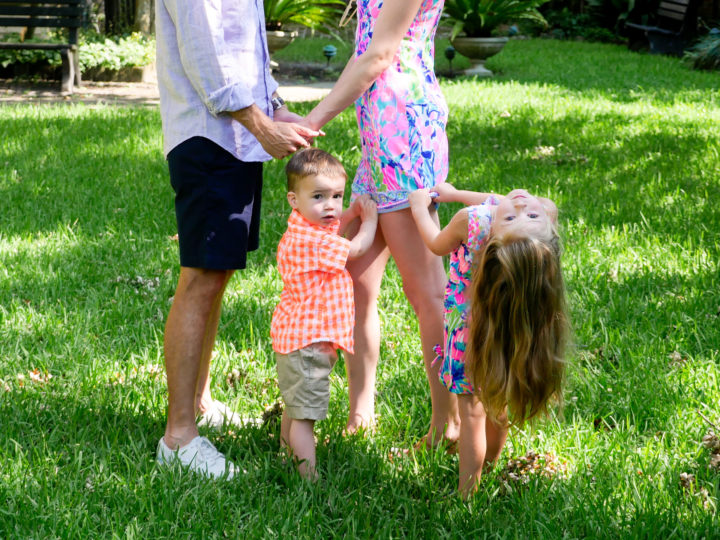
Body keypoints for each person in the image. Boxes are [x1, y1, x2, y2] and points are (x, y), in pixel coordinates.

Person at [154, 0, 320, 479]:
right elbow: (206, 56)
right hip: (208, 138)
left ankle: (200, 401)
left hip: (235, 141)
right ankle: (179, 436)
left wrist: (277, 110)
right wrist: (262, 124)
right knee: (201, 276)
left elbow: (245, 49)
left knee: (217, 272)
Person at [300, 0, 456, 447]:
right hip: (379, 136)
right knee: (355, 282)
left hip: (404, 134)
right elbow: (364, 50)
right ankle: (360, 414)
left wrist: (312, 123)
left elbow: (378, 56)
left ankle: (449, 423)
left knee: (426, 291)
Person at [408, 183, 569, 497]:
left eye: (521, 215)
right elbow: (503, 203)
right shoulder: (543, 215)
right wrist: (455, 194)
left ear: (494, 235)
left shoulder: (469, 222)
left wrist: (417, 207)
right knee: (497, 398)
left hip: (469, 334)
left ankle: (467, 494)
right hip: (515, 329)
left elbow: (436, 244)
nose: (521, 205)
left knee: (471, 413)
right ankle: (492, 462)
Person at [270, 148, 378, 479]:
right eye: (319, 196)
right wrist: (369, 220)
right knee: (305, 417)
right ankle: (309, 478)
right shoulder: (314, 241)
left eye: (337, 196)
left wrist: (346, 213)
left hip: (297, 339)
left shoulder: (304, 227)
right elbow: (357, 248)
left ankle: (288, 458)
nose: (331, 205)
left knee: (295, 405)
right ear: (293, 199)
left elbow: (333, 223)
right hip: (310, 343)